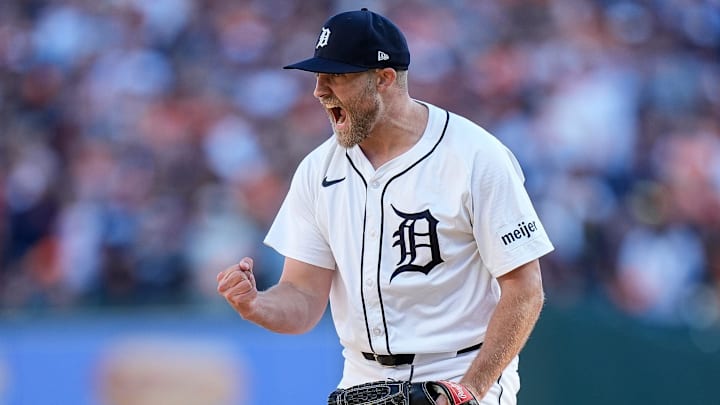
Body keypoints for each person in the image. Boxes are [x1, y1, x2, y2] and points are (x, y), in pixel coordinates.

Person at [216, 8, 554, 405]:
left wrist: (471, 389)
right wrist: (257, 304)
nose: (319, 91)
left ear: (384, 78)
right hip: (362, 378)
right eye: (318, 77)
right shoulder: (317, 171)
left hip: (458, 372)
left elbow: (525, 288)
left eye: (336, 76)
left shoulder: (475, 156)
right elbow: (303, 299)